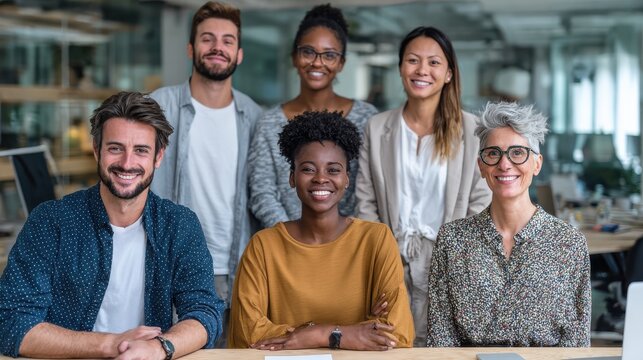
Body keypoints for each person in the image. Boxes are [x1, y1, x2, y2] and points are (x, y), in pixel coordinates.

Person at [0, 92, 224, 358]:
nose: (127, 163)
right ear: (97, 150)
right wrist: (110, 344)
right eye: (115, 148)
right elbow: (12, 323)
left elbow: (205, 313)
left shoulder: (179, 225)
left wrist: (159, 347)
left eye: (141, 150)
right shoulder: (51, 222)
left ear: (159, 156)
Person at [229, 111, 414, 350]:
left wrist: (311, 335)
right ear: (292, 178)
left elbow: (396, 335)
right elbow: (248, 333)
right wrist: (340, 333)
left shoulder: (376, 240)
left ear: (347, 178)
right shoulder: (263, 246)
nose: (321, 178)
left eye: (334, 170)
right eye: (308, 169)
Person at [355, 26, 490, 345]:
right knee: (392, 344)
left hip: (449, 262)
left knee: (444, 347)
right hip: (390, 258)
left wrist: (455, 255)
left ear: (448, 74)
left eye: (433, 62)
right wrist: (383, 258)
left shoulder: (472, 130)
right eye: (413, 60)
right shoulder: (377, 128)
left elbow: (481, 201)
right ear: (401, 67)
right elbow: (365, 201)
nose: (422, 70)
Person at [426, 101, 591, 347]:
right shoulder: (452, 240)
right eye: (493, 153)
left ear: (537, 164)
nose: (504, 164)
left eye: (517, 153)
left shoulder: (569, 243)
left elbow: (577, 343)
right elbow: (441, 339)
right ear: (481, 166)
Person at [150, 1, 262, 318]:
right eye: (207, 38)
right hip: (171, 266)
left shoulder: (254, 117)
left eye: (227, 41)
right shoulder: (159, 107)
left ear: (239, 54)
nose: (217, 47)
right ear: (190, 48)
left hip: (238, 269)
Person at [248, 4, 377, 229]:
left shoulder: (367, 119)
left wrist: (346, 241)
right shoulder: (269, 123)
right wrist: (293, 238)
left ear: (341, 63)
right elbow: (262, 193)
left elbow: (368, 192)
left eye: (329, 55)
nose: (317, 62)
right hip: (286, 247)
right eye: (308, 51)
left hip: (349, 247)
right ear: (294, 57)